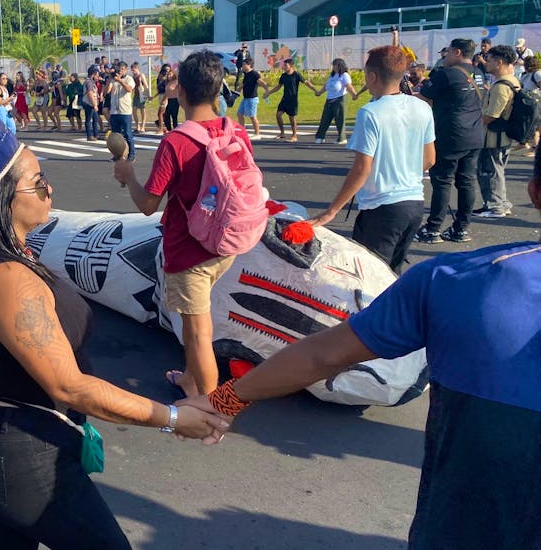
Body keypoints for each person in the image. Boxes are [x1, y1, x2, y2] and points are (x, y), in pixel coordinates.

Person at [183, 149, 541, 549]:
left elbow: (324, 355)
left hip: (461, 528)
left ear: (534, 192)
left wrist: (226, 400)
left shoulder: (455, 280)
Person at [0, 111, 229, 549]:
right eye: (37, 182)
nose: (49, 188)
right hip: (17, 452)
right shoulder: (8, 280)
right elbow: (70, 387)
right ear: (1, 201)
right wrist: (174, 418)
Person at [113, 49, 253, 398]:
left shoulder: (176, 142)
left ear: (182, 91)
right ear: (218, 89)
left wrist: (129, 175)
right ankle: (192, 378)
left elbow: (148, 205)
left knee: (197, 331)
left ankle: (208, 405)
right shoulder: (234, 129)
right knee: (198, 323)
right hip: (226, 242)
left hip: (189, 251)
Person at [308, 46, 435, 273]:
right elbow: (429, 159)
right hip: (414, 204)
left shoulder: (371, 113)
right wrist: (402, 169)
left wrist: (331, 211)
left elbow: (361, 168)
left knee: (369, 276)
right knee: (391, 276)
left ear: (373, 77)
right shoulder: (422, 107)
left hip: (383, 207)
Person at [414, 39, 485, 244]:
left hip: (451, 133)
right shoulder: (478, 74)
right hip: (474, 133)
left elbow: (424, 95)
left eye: (448, 53)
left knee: (442, 181)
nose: (445, 56)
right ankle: (461, 228)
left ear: (457, 52)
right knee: (466, 181)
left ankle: (433, 228)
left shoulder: (446, 74)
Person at [474, 44, 520, 219]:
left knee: (489, 172)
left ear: (499, 62)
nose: (486, 62)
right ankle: (500, 203)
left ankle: (495, 206)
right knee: (497, 170)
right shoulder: (513, 81)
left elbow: (492, 115)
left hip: (494, 137)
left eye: (490, 59)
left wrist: (475, 125)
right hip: (504, 136)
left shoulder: (501, 86)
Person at [264, 58, 318, 142]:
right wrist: (269, 93)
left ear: (291, 66)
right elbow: (278, 87)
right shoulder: (283, 75)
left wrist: (315, 90)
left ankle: (294, 135)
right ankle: (282, 133)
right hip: (284, 99)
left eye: (286, 65)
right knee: (278, 115)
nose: (284, 67)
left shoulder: (297, 75)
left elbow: (306, 82)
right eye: (283, 66)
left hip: (293, 100)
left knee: (292, 118)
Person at [314, 58, 355, 144]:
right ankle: (320, 137)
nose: (334, 67)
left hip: (340, 99)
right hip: (329, 100)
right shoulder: (332, 76)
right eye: (333, 65)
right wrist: (319, 93)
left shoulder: (344, 75)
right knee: (325, 119)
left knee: (339, 119)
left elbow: (348, 86)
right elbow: (326, 86)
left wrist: (354, 94)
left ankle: (342, 138)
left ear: (340, 65)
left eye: (335, 65)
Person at [106, 61, 137, 160]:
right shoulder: (113, 79)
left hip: (125, 111)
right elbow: (107, 91)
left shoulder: (129, 79)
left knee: (128, 134)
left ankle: (131, 155)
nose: (120, 71)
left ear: (126, 70)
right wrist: (110, 79)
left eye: (122, 69)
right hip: (114, 111)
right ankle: (117, 155)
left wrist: (120, 81)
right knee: (116, 136)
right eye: (119, 69)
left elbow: (129, 89)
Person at [236, 58, 267, 140]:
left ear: (249, 65)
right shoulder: (246, 74)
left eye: (243, 64)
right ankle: (243, 132)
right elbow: (242, 85)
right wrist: (236, 92)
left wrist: (267, 91)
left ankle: (257, 134)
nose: (242, 66)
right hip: (245, 98)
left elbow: (262, 82)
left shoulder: (254, 74)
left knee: (253, 116)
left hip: (252, 99)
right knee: (239, 114)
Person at [130, 62, 150, 134]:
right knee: (134, 110)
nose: (133, 71)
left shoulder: (141, 75)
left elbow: (146, 85)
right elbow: (132, 87)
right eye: (132, 70)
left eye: (134, 70)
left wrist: (147, 95)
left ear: (137, 69)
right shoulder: (133, 77)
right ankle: (137, 126)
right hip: (136, 94)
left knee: (142, 110)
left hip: (142, 94)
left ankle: (143, 126)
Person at [82, 67, 101, 141]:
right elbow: (90, 93)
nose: (98, 77)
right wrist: (95, 105)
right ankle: (89, 136)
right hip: (89, 103)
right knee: (88, 120)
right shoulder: (89, 82)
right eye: (97, 75)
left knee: (95, 119)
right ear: (93, 75)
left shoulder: (92, 82)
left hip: (92, 103)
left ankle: (96, 134)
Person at [163, 67, 181, 131]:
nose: (169, 76)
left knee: (174, 116)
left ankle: (175, 129)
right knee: (166, 116)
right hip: (169, 100)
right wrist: (163, 99)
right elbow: (166, 93)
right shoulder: (168, 83)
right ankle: (170, 129)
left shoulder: (176, 82)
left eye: (170, 74)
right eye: (168, 75)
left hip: (175, 100)